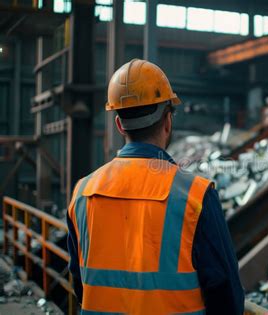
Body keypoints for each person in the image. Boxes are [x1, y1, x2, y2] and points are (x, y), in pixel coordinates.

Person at [66, 59, 244, 314]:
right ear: (168, 122)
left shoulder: (82, 192)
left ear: (119, 125)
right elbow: (226, 296)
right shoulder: (196, 196)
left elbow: (79, 284)